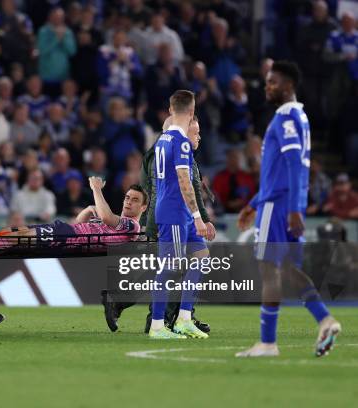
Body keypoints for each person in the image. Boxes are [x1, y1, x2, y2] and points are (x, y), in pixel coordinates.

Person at [236, 61, 341, 357]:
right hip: (282, 202)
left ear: (289, 86)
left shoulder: (284, 118)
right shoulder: (299, 117)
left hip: (280, 206)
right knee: (287, 268)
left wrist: (293, 208)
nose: (268, 87)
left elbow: (295, 166)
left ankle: (267, 343)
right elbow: (280, 173)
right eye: (267, 82)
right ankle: (325, 319)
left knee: (269, 269)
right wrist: (253, 204)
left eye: (274, 82)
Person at [102, 115, 214, 333]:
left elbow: (193, 187)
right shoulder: (168, 152)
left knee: (176, 265)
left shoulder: (167, 151)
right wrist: (148, 221)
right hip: (166, 216)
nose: (198, 136)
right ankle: (159, 318)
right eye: (195, 131)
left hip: (172, 215)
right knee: (173, 267)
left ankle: (173, 316)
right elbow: (155, 189)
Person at [147, 90, 210, 340]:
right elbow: (185, 180)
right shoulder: (180, 142)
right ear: (192, 112)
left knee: (202, 258)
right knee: (169, 267)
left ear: (171, 110)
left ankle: (184, 319)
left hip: (180, 210)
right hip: (174, 210)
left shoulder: (164, 138)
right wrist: (197, 215)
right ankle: (157, 325)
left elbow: (169, 123)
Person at [0, 178, 145, 245]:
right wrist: (88, 210)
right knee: (20, 231)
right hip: (67, 230)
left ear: (143, 208)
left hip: (68, 238)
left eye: (135, 200)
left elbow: (106, 217)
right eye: (127, 198)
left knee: (22, 238)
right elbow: (78, 223)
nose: (128, 202)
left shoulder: (133, 226)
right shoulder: (117, 221)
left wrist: (96, 189)